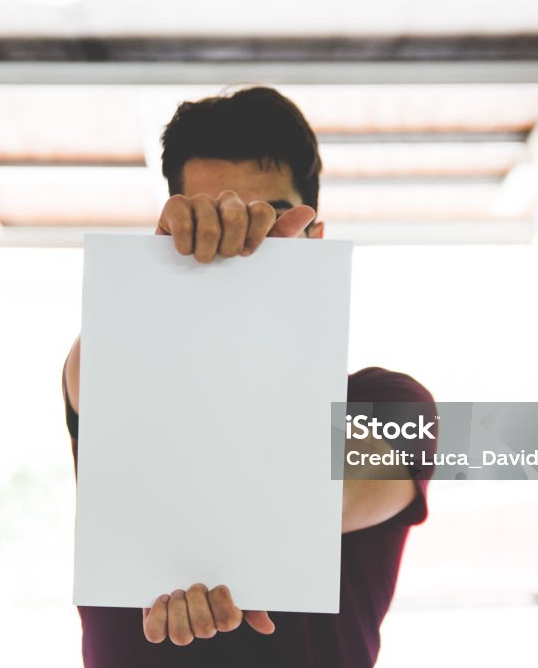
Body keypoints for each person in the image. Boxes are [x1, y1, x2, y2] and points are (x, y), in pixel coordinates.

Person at [62, 86, 436, 668]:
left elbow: (310, 496)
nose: (246, 240)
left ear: (314, 236)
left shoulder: (390, 404)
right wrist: (162, 287)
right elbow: (96, 373)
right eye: (215, 220)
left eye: (270, 221)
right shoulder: (121, 354)